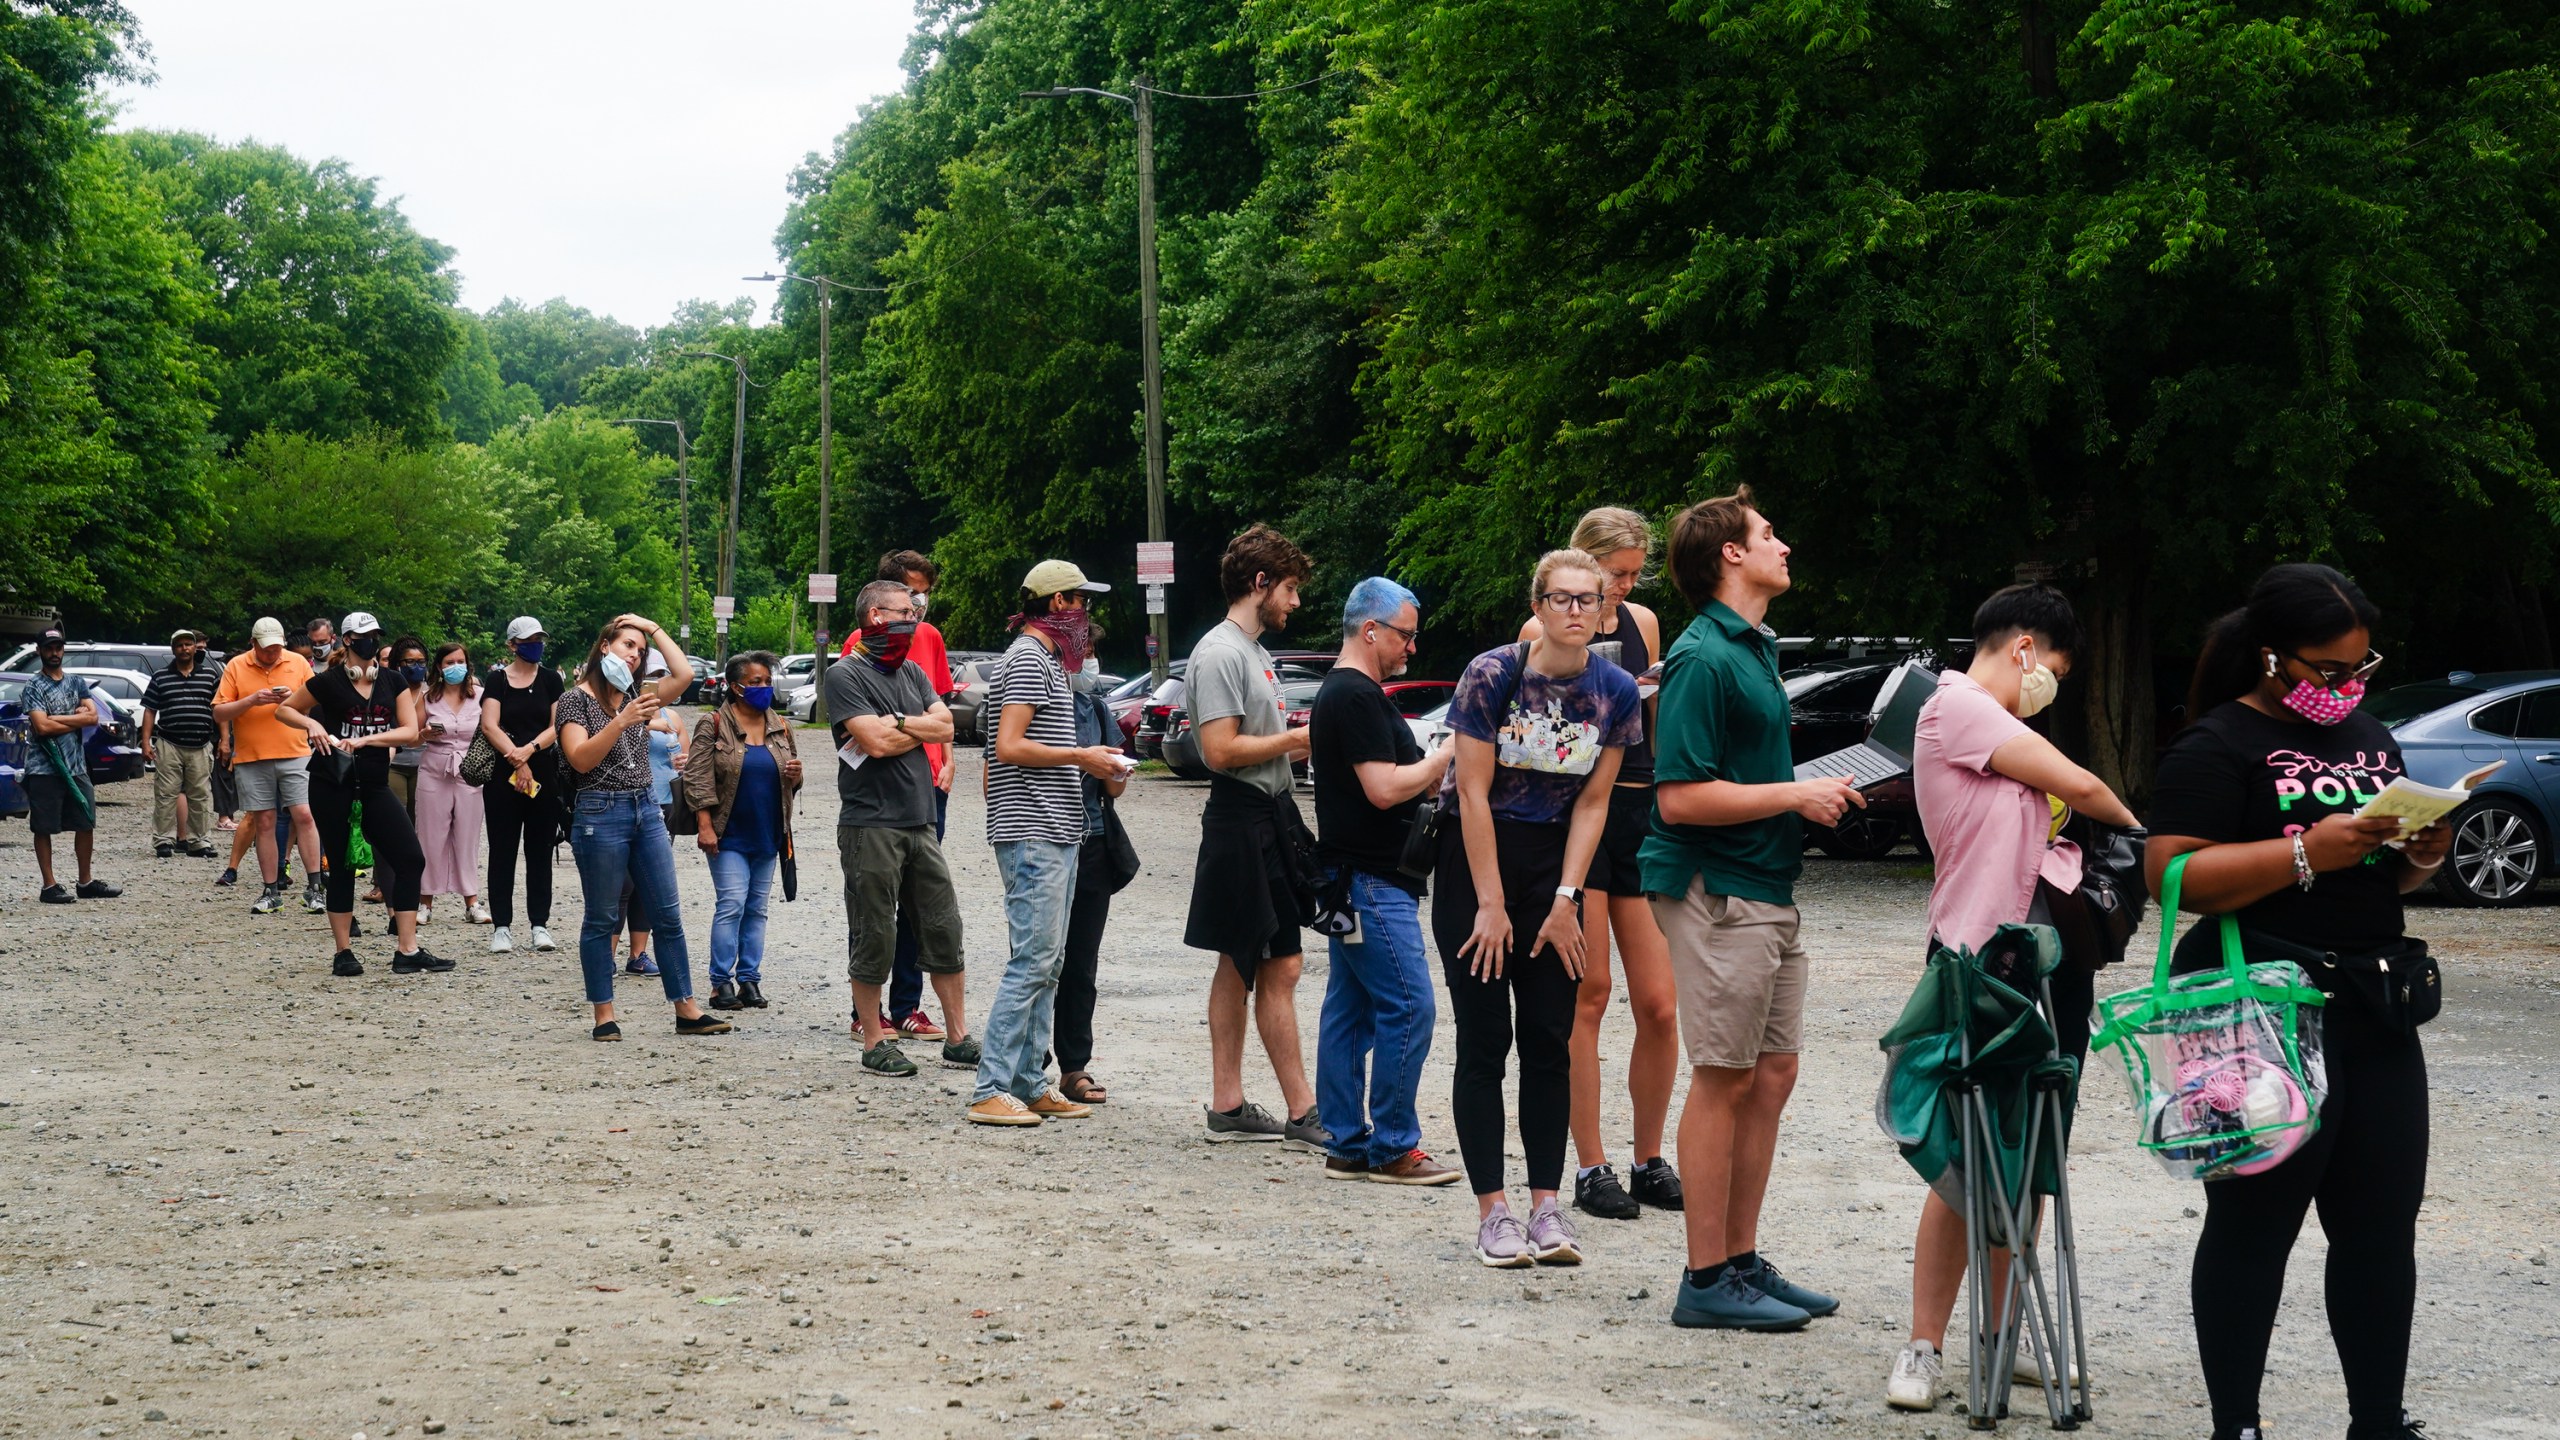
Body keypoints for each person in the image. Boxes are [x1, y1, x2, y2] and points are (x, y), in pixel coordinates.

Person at [2144, 564, 2447, 1440]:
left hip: (2373, 1005)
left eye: (2360, 669)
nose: (2345, 688)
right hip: (2260, 1013)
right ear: (2272, 656)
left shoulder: (2369, 736)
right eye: (2327, 670)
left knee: (2382, 1229)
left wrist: (2421, 852)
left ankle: (2379, 1423)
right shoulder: (2215, 745)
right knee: (2254, 1226)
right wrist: (2307, 853)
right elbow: (2173, 876)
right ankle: (2237, 1424)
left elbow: (2385, 875)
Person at [1886, 584, 2140, 1410]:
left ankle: (2001, 1334)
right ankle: (1924, 1346)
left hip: (2052, 961)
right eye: (2055, 669)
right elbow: (2087, 789)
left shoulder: (2008, 730)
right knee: (1963, 1156)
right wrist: (2144, 835)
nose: (2051, 687)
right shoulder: (1956, 709)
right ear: (2024, 646)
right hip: (1978, 959)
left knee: (2033, 1155)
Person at [1642, 486, 1857, 1331]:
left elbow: (1742, 781)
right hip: (1717, 888)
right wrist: (1793, 798)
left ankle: (1739, 1259)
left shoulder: (1753, 647)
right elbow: (1681, 799)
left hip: (1766, 885)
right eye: (1769, 533)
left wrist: (1808, 793)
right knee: (1724, 1076)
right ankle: (1704, 1279)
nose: (1784, 544)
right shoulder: (1703, 657)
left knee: (1772, 1074)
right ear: (1730, 553)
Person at [1437, 551, 1642, 1266]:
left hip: (1557, 870)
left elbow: (1594, 802)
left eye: (1590, 600)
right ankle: (1493, 1213)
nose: (1577, 611)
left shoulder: (1615, 690)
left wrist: (1567, 900)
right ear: (1540, 605)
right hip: (1479, 864)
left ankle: (1548, 1208)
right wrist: (1490, 904)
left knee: (1550, 1040)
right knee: (1485, 1040)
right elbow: (1469, 791)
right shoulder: (1495, 673)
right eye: (1563, 599)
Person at [1522, 507, 1685, 1221]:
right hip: (1580, 816)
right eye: (1613, 575)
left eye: (1630, 576)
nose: (1622, 587)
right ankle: (1591, 1166)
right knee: (1589, 995)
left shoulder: (1643, 623)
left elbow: (1652, 724)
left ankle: (1650, 1157)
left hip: (1640, 815)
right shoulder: (1540, 633)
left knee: (1659, 1002)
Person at [1309, 578, 1459, 1184]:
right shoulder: (1357, 697)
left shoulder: (1343, 693)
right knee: (1409, 1004)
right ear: (1371, 631)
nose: (1411, 648)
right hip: (1371, 880)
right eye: (1405, 635)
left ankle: (1347, 1142)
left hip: (1348, 877)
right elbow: (1383, 788)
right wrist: (1448, 756)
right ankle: (1394, 1146)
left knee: (1349, 1010)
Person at [1183, 525, 1324, 1147]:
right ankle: (1301, 1113)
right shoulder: (1221, 652)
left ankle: (1231, 1106)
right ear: (1260, 583)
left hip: (1267, 815)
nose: (1295, 602)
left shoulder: (1253, 650)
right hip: (1242, 816)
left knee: (1244, 962)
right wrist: (1297, 740)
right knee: (1275, 963)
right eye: (1289, 588)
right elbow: (1218, 750)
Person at [970, 559, 1122, 1126]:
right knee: (1034, 961)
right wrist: (1083, 755)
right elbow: (1006, 746)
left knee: (1049, 962)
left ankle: (1030, 1081)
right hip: (1031, 828)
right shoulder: (1030, 658)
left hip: (1056, 827)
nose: (1087, 613)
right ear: (1058, 604)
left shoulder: (1050, 661)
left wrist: (1100, 764)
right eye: (1082, 601)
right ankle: (990, 1087)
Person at [829, 583, 977, 1076]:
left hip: (921, 820)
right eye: (906, 611)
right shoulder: (843, 674)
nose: (914, 619)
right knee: (874, 934)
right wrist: (912, 726)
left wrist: (897, 723)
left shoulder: (912, 671)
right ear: (876, 615)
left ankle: (958, 1038)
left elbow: (948, 727)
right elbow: (872, 743)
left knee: (943, 928)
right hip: (871, 825)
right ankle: (874, 1041)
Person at [556, 615, 724, 1041]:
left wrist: (652, 629)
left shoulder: (637, 693)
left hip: (646, 808)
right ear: (605, 645)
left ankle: (686, 1009)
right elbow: (580, 759)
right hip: (599, 811)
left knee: (667, 913)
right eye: (627, 645)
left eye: (639, 651)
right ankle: (604, 1016)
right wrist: (621, 721)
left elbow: (684, 675)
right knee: (601, 918)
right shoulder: (574, 701)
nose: (634, 656)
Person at [277, 612, 439, 978]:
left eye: (375, 635)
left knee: (411, 858)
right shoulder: (329, 681)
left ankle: (407, 950)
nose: (370, 642)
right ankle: (343, 952)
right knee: (344, 864)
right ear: (347, 640)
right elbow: (284, 710)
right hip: (332, 784)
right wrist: (313, 722)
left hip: (375, 784)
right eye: (363, 636)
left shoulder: (393, 681)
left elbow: (409, 731)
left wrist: (367, 740)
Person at [689, 651, 803, 1011]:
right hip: (728, 833)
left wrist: (796, 777)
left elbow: (792, 780)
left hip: (768, 833)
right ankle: (720, 983)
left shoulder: (780, 726)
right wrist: (705, 826)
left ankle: (749, 981)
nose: (764, 688)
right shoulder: (713, 723)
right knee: (732, 904)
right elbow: (697, 779)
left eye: (767, 681)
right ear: (735, 686)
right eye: (756, 682)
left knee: (757, 908)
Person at [1051, 623, 1134, 1106]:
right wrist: (1078, 760)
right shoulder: (1034, 704)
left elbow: (1114, 787)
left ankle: (1074, 1064)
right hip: (1044, 841)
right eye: (1082, 653)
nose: (1088, 662)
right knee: (1042, 958)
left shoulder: (1096, 707)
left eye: (1092, 652)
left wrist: (1115, 769)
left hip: (1094, 842)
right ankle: (1026, 1057)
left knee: (1081, 962)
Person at [214, 616, 327, 916]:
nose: (272, 654)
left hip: (296, 751)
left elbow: (317, 703)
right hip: (252, 757)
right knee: (263, 820)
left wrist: (295, 700)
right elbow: (219, 711)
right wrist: (251, 700)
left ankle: (315, 887)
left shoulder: (298, 663)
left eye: (277, 648)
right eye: (266, 649)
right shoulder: (236, 666)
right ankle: (271, 889)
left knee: (304, 814)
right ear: (253, 644)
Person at [479, 615, 564, 955]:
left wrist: (528, 751)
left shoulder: (551, 680)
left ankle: (539, 924)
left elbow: (558, 725)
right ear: (512, 645)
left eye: (539, 639)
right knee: (502, 850)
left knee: (540, 849)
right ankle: (501, 925)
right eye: (529, 640)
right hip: (503, 775)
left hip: (542, 771)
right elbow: (489, 724)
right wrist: (517, 759)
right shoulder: (497, 680)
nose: (536, 645)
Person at [22, 629, 121, 903]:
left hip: (77, 766)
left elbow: (92, 718)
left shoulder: (77, 682)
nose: (54, 653)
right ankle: (49, 886)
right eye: (49, 648)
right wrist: (75, 717)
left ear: (63, 650)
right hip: (44, 768)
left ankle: (85, 882)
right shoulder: (33, 687)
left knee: (85, 820)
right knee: (43, 826)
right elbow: (41, 727)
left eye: (58, 647)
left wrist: (60, 718)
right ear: (39, 650)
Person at [414, 642, 489, 927]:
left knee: (467, 836)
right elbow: (411, 736)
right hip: (435, 768)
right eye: (448, 663)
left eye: (460, 661)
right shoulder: (427, 698)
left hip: (470, 770)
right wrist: (423, 734)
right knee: (430, 836)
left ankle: (472, 901)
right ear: (439, 668)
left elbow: (493, 729)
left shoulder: (481, 696)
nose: (455, 667)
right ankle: (424, 901)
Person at [141, 627, 222, 859]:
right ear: (173, 649)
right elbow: (149, 710)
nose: (184, 648)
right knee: (166, 794)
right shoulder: (160, 677)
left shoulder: (209, 676)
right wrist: (146, 743)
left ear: (195, 647)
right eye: (179, 645)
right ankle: (163, 841)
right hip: (169, 743)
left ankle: (199, 841)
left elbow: (219, 709)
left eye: (188, 644)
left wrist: (224, 739)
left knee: (200, 794)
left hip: (201, 743)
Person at [364, 635, 430, 906]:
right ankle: (383, 886)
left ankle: (412, 889)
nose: (415, 666)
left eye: (421, 662)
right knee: (389, 826)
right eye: (409, 662)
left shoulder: (432, 691)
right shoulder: (383, 689)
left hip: (424, 764)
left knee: (415, 829)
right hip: (391, 763)